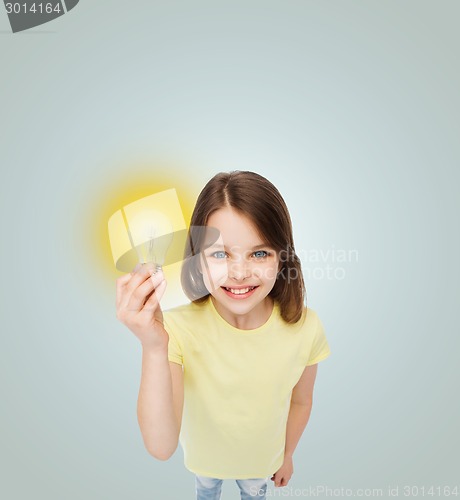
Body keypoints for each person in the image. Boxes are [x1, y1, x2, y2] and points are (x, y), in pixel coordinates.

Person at [116, 170, 331, 500]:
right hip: (204, 463)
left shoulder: (307, 328)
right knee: (207, 489)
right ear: (198, 261)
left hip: (261, 465)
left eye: (259, 253)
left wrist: (287, 455)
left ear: (282, 257)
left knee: (252, 492)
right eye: (220, 254)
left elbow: (301, 401)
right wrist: (154, 347)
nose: (240, 272)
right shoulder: (176, 331)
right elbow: (160, 447)